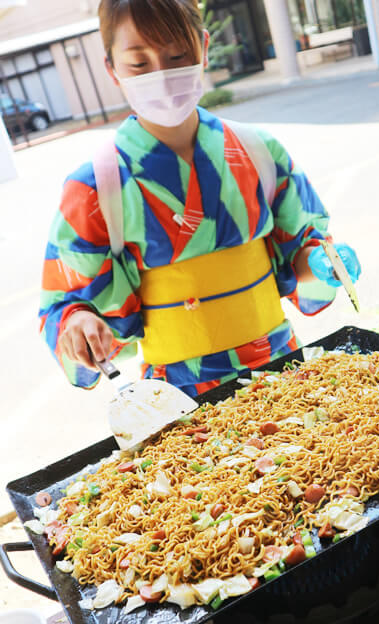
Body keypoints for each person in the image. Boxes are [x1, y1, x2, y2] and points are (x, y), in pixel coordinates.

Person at [39, 0, 361, 397]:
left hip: (284, 374)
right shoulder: (93, 188)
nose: (162, 74)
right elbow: (63, 306)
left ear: (204, 48)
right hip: (179, 397)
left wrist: (322, 262)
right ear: (112, 68)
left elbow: (300, 252)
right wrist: (78, 324)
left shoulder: (259, 152)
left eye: (178, 56)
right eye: (139, 64)